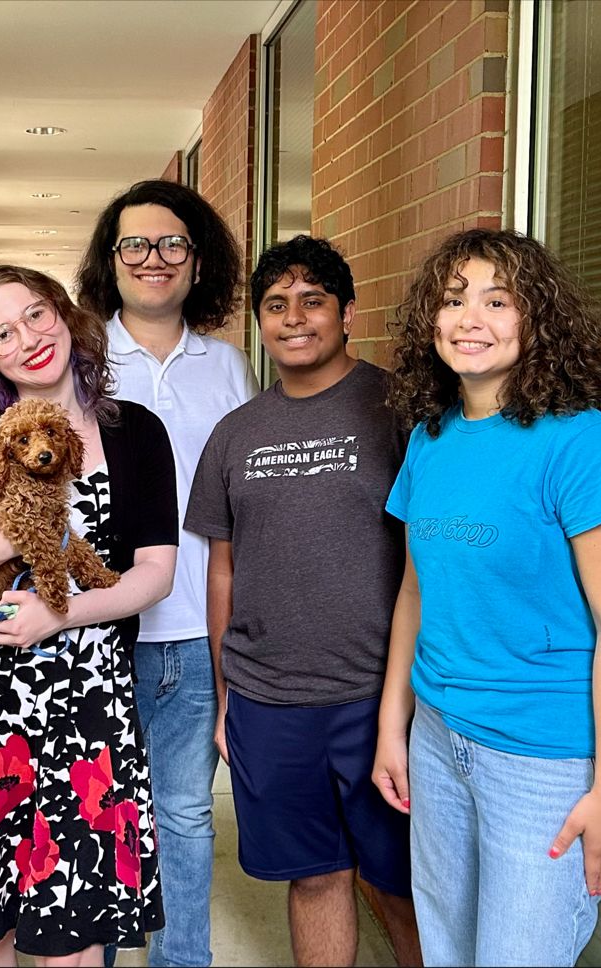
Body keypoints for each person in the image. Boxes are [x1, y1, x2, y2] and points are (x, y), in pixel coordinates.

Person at [0, 265, 179, 967]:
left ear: (65, 316)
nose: (29, 340)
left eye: (37, 315)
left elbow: (155, 574)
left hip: (89, 706)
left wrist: (62, 613)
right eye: (2, 333)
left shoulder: (136, 433)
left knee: (73, 928)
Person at [374, 227, 601, 967]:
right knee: (447, 950)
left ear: (538, 318)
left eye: (498, 301)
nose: (471, 319)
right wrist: (391, 727)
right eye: (453, 300)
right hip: (437, 738)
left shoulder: (584, 443)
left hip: (543, 762)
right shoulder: (431, 437)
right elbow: (414, 590)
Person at [185, 235, 421, 967]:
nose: (294, 318)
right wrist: (228, 699)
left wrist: (408, 699)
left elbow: (427, 558)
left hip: (378, 698)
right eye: (276, 305)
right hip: (268, 698)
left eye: (312, 301)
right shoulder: (236, 433)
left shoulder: (399, 412)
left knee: (401, 883)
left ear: (347, 313)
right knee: (315, 876)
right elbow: (220, 571)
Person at [76, 178, 256, 968]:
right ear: (110, 262)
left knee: (184, 815)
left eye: (173, 244)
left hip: (193, 633)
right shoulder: (80, 363)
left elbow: (245, 505)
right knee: (97, 817)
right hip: (93, 635)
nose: (155, 259)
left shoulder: (228, 366)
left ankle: (184, 960)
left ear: (197, 260)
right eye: (135, 245)